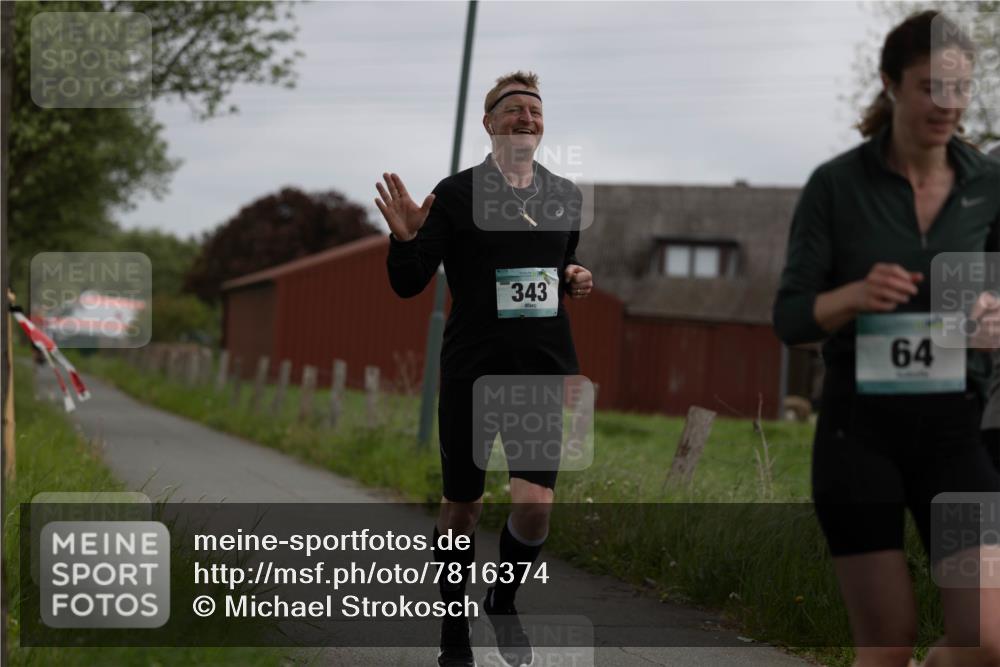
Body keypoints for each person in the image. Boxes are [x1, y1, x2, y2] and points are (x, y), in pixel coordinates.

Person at [773, 11, 1000, 667]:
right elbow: (790, 317)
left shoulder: (988, 186)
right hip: (860, 432)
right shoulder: (836, 185)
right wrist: (854, 295)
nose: (947, 104)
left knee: (987, 640)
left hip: (954, 431)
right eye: (930, 86)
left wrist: (993, 320)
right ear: (891, 84)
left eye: (960, 88)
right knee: (887, 642)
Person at [378, 71, 593, 667]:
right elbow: (408, 283)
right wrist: (404, 241)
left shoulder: (563, 195)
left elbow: (561, 260)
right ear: (489, 122)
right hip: (473, 370)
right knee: (463, 508)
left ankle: (501, 599)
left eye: (535, 110)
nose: (527, 118)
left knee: (535, 506)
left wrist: (574, 275)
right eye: (514, 108)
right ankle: (453, 632)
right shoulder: (456, 194)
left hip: (540, 370)